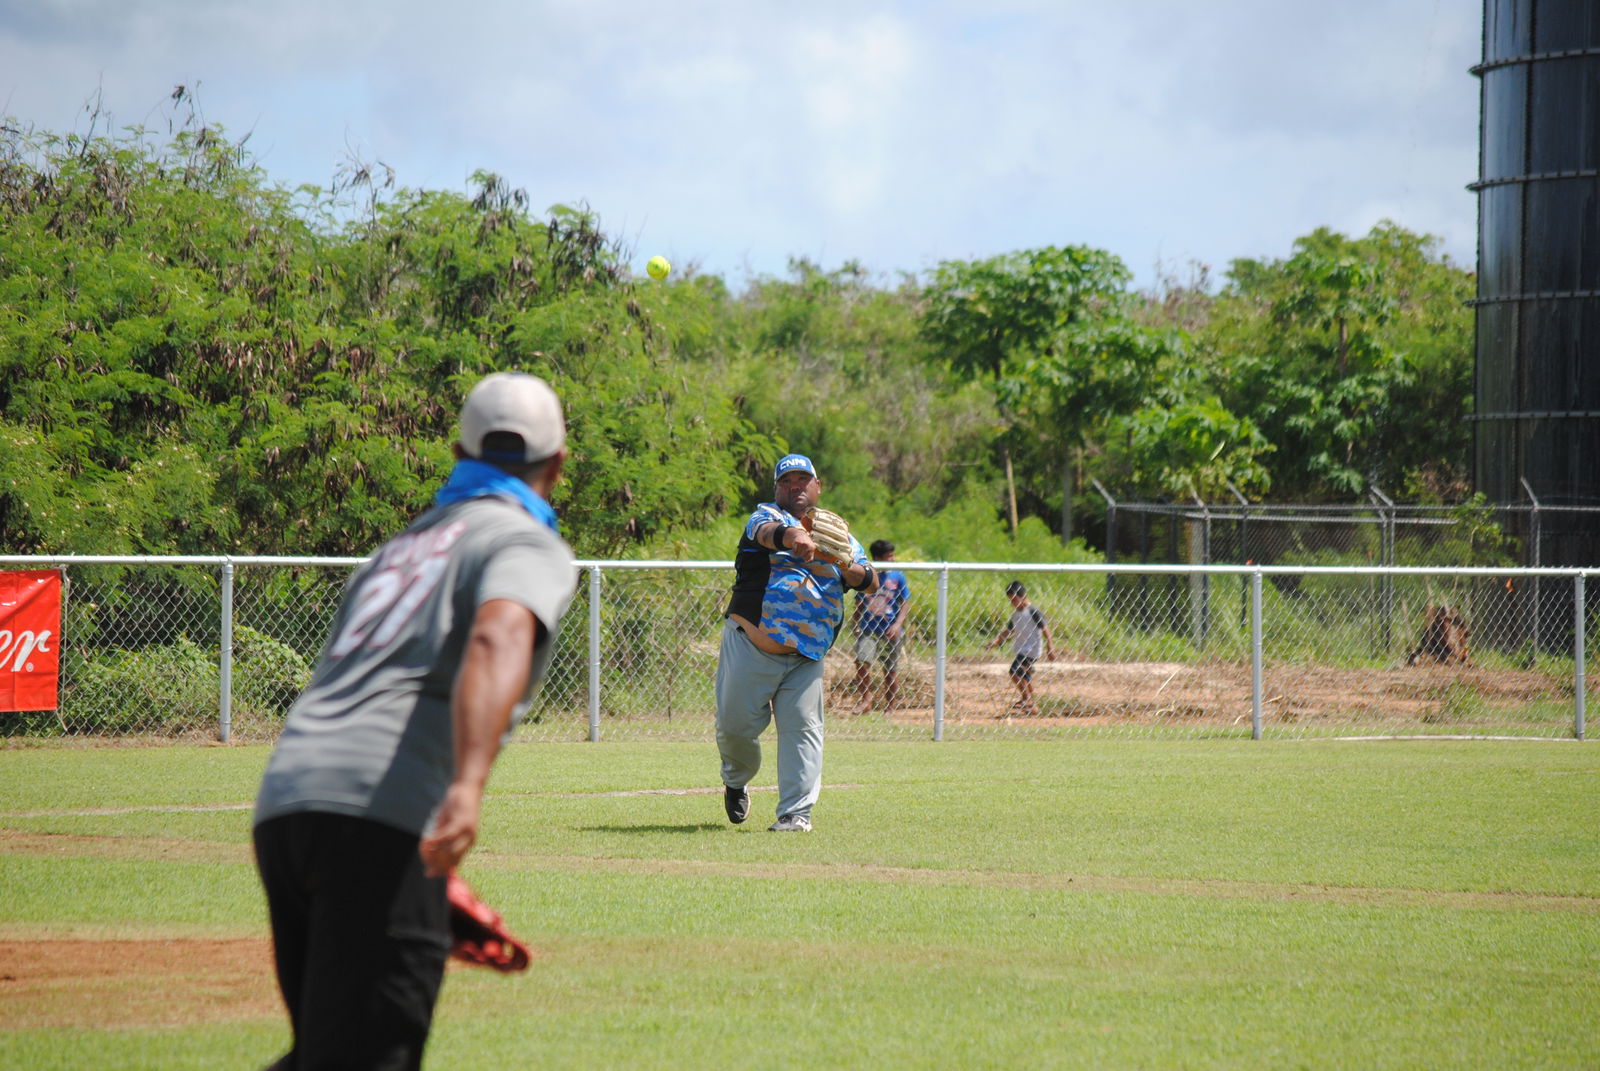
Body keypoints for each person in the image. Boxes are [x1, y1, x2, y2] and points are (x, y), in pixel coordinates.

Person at [252, 371, 577, 1070]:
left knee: (327, 1051)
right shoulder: (523, 541)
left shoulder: (396, 549)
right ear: (558, 464)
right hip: (378, 813)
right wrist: (464, 786)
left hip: (288, 804)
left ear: (459, 453)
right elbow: (497, 638)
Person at [716, 453, 877, 833]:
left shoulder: (841, 536)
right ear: (777, 488)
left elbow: (869, 580)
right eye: (788, 481)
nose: (796, 486)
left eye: (804, 480)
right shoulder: (764, 516)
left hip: (806, 657)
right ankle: (736, 780)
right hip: (752, 648)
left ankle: (795, 814)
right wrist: (796, 537)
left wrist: (837, 560)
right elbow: (769, 534)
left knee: (804, 732)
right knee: (736, 729)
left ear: (817, 487)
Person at [850, 539, 910, 714]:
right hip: (869, 629)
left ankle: (890, 706)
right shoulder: (867, 575)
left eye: (892, 555)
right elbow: (859, 603)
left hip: (890, 630)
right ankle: (866, 700)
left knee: (890, 669)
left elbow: (905, 602)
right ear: (877, 558)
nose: (892, 559)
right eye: (888, 556)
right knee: (862, 662)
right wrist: (856, 624)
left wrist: (898, 625)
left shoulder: (897, 576)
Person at [984, 579, 1056, 715]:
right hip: (1022, 649)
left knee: (1014, 671)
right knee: (1024, 675)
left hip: (1032, 649)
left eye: (1014, 600)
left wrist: (1050, 647)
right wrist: (996, 641)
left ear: (1023, 596)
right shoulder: (1016, 615)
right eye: (1010, 600)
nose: (1012, 603)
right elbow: (1008, 631)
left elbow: (1046, 629)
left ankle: (1026, 698)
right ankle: (1032, 705)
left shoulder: (1033, 612)